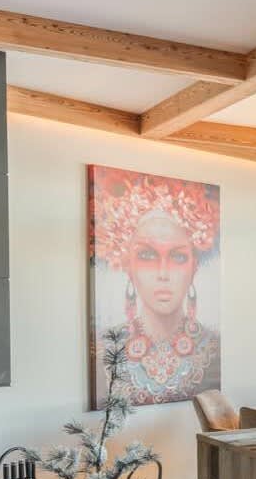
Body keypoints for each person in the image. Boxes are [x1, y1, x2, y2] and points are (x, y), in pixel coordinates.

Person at [90, 167, 222, 406]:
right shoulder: (103, 350)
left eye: (178, 257)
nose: (163, 274)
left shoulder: (215, 348)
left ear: (194, 267)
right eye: (148, 255)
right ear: (127, 264)